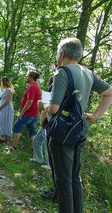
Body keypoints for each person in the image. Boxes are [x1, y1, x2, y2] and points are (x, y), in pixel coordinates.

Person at [47, 38, 112, 213]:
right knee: (75, 177)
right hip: (80, 129)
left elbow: (53, 108)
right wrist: (95, 116)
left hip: (63, 132)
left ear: (62, 54)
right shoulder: (88, 73)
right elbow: (109, 92)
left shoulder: (62, 72)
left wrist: (42, 105)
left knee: (63, 181)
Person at [8, 72, 41, 151]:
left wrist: (22, 112)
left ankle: (14, 146)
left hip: (28, 114)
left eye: (27, 76)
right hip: (34, 114)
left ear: (31, 77)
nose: (26, 77)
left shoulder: (32, 87)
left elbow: (29, 101)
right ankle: (34, 150)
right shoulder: (36, 86)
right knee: (32, 131)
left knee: (16, 126)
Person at [30, 77, 54, 166]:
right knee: (37, 140)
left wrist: (42, 121)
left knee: (47, 144)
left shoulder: (52, 91)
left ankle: (49, 164)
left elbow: (46, 109)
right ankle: (39, 159)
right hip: (47, 122)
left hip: (47, 122)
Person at [0, 77, 14, 143]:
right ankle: (4, 137)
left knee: (8, 121)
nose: (1, 83)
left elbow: (7, 100)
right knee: (3, 121)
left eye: (2, 82)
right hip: (3, 108)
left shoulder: (9, 90)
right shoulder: (5, 89)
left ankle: (8, 138)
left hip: (7, 108)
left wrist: (0, 107)